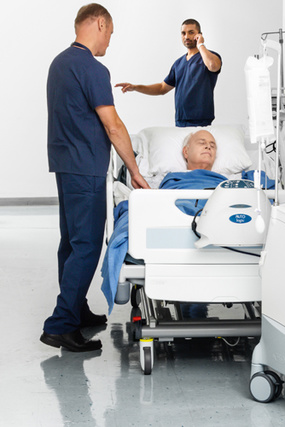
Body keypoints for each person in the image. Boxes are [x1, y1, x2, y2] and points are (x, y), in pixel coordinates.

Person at [41, 3, 150, 353]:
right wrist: (134, 170)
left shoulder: (59, 63)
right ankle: (61, 325)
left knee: (70, 242)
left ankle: (77, 310)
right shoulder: (92, 67)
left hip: (64, 162)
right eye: (110, 34)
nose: (109, 42)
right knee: (87, 245)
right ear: (99, 23)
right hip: (85, 166)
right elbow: (113, 125)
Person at [116, 19, 222, 127]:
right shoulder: (178, 64)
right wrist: (135, 87)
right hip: (180, 122)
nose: (186, 36)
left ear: (199, 35)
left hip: (201, 123)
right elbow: (162, 88)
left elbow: (213, 65)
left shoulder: (209, 57)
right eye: (183, 33)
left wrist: (201, 45)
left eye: (191, 32)